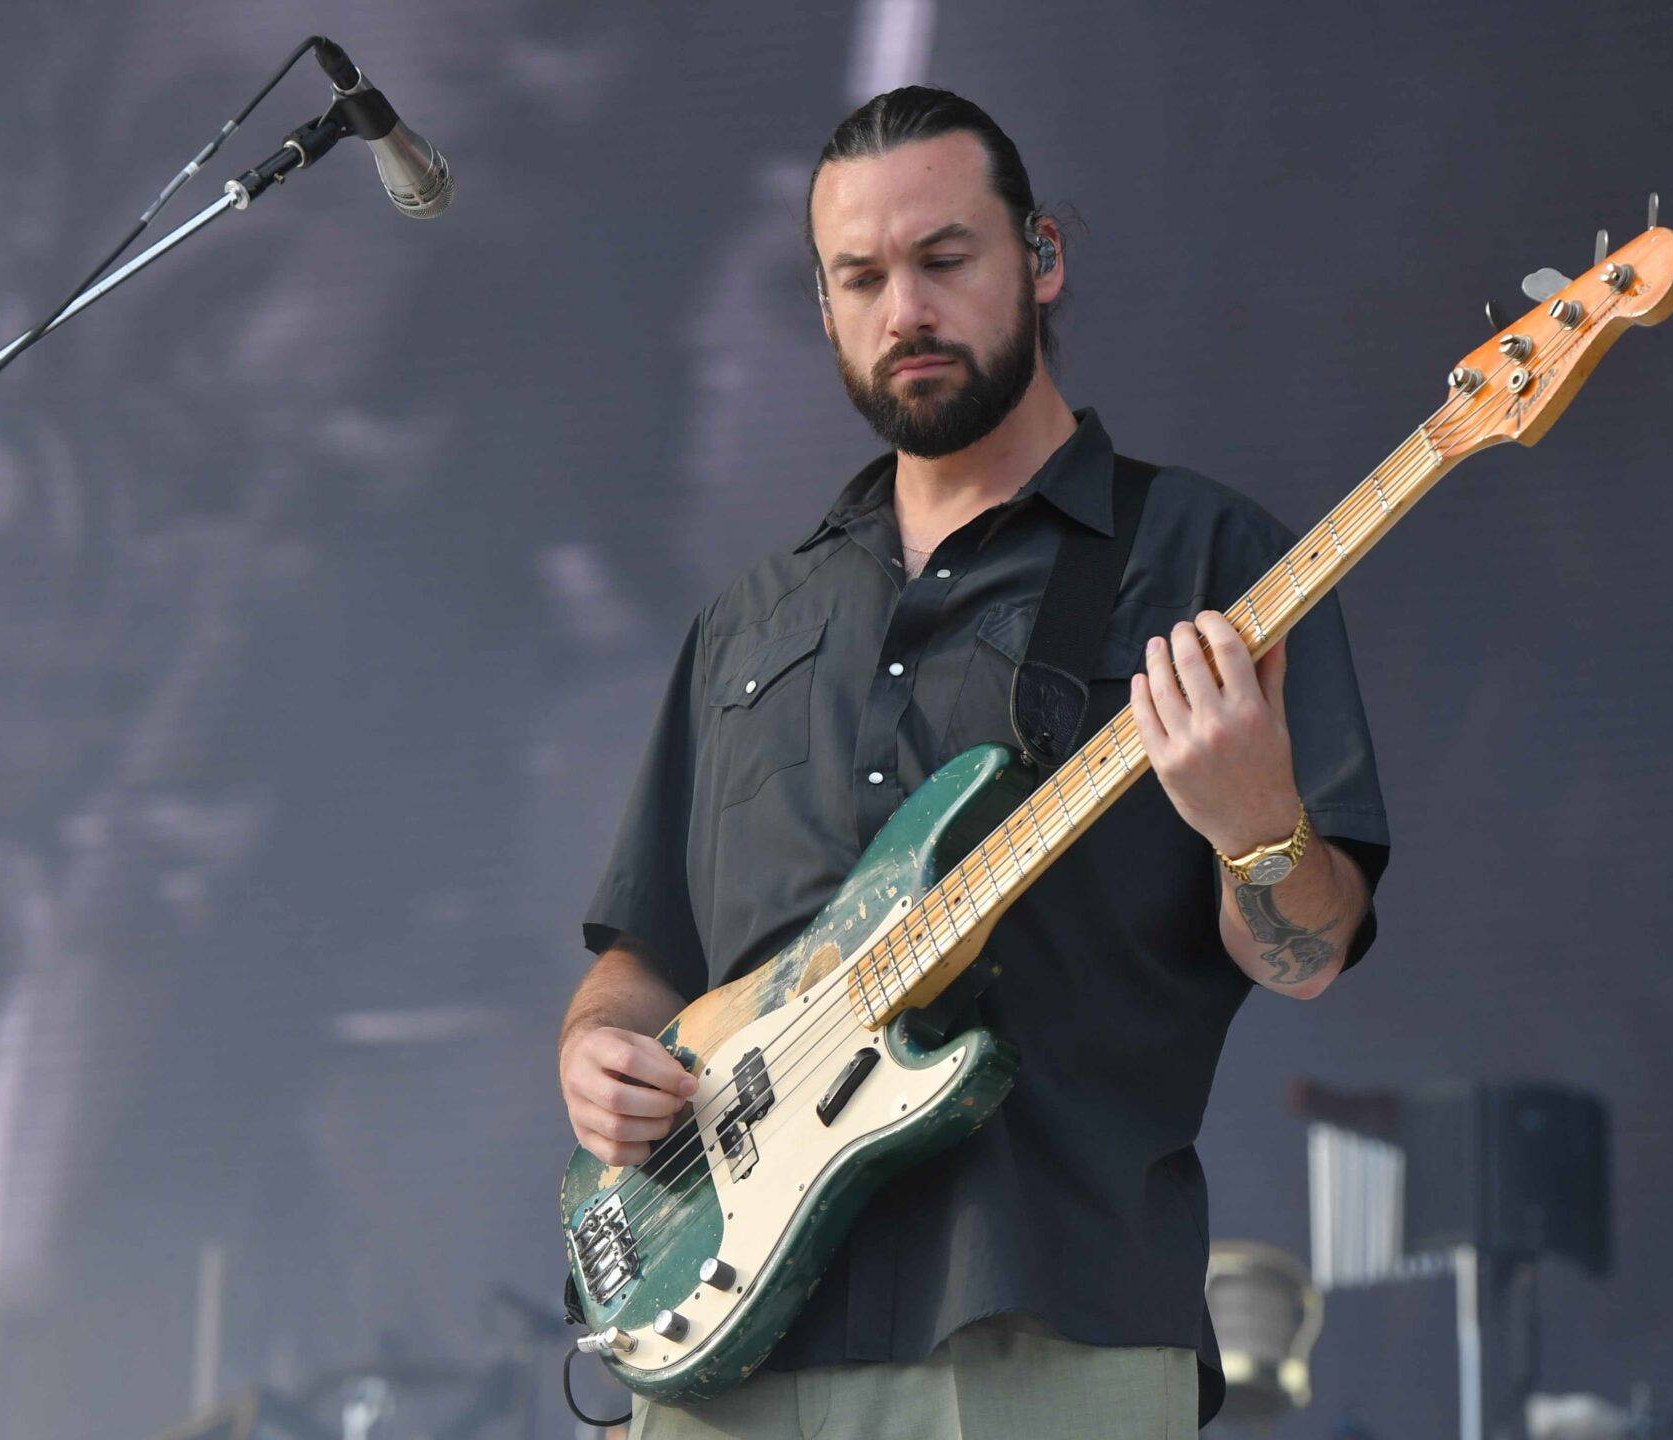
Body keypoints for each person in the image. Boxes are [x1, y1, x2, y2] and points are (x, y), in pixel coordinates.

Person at [558, 87, 1391, 1438]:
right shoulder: (747, 624)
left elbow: (1310, 951)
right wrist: (596, 1047)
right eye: (862, 278)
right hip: (721, 1342)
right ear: (825, 305)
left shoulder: (1207, 559)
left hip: (1043, 1327)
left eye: (945, 259)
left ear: (1041, 257)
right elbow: (645, 951)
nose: (907, 311)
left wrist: (1256, 826)